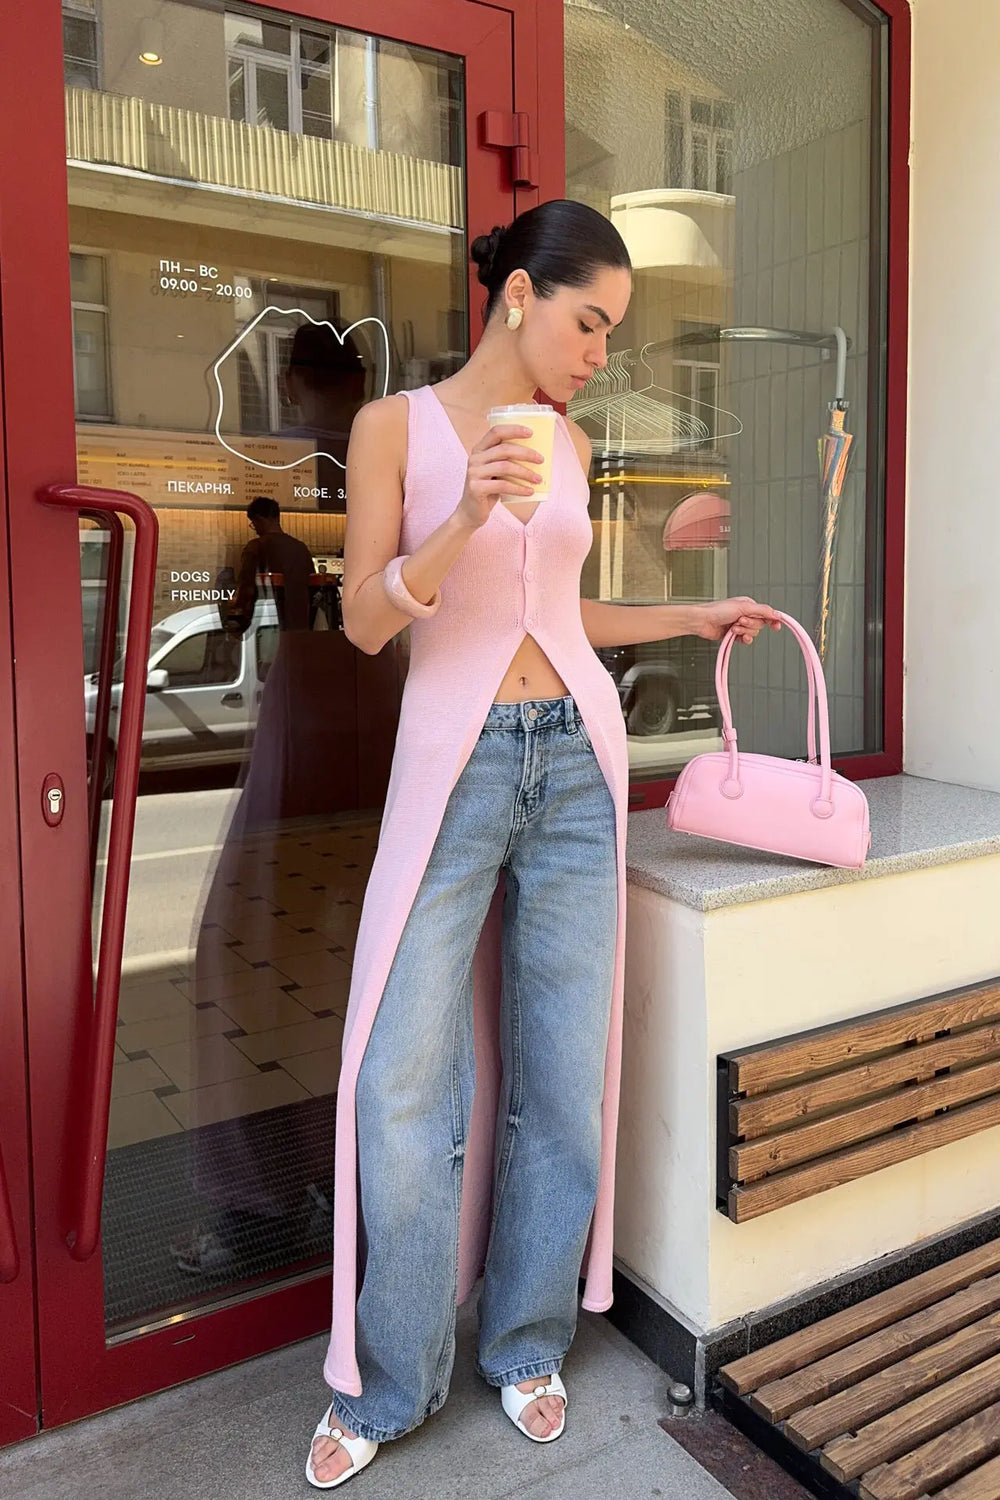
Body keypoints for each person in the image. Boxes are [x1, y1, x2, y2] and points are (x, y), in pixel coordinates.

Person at [306, 198, 780, 1489]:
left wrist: (694, 616)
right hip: (450, 769)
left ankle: (524, 1344)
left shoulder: (567, 444)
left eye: (611, 333)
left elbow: (569, 612)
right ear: (518, 295)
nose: (598, 354)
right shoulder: (394, 427)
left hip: (577, 763)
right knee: (401, 1079)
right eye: (589, 322)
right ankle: (392, 1376)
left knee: (564, 1071)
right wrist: (461, 516)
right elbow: (360, 622)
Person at [225, 495, 315, 635]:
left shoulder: (256, 547)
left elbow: (246, 588)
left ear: (260, 520)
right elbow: (313, 588)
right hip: (301, 627)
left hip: (267, 629)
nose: (254, 528)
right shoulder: (301, 548)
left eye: (253, 524)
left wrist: (235, 608)